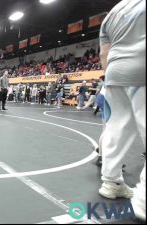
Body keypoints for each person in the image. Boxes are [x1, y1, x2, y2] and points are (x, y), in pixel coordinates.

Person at [98, 0, 145, 221]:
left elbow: (103, 54)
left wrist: (110, 78)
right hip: (142, 68)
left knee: (116, 129)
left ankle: (111, 182)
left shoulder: (111, 15)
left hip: (115, 73)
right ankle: (144, 201)